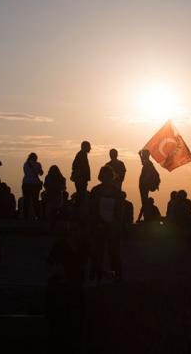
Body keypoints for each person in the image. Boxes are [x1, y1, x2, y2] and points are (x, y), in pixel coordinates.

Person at [46, 223, 89, 354]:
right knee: (61, 326)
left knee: (76, 325)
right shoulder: (61, 245)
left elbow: (88, 264)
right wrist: (59, 272)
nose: (79, 234)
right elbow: (50, 264)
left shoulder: (83, 246)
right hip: (62, 290)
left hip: (76, 289)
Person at [88, 166, 123, 281]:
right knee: (98, 253)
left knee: (114, 253)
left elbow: (119, 210)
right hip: (99, 226)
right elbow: (92, 209)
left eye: (108, 176)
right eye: (104, 176)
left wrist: (116, 224)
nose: (106, 178)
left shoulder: (116, 192)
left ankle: (116, 276)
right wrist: (98, 222)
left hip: (112, 227)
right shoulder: (96, 191)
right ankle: (96, 276)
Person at [22, 152, 44, 220]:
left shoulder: (25, 164)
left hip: (26, 183)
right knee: (35, 200)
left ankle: (25, 216)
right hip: (35, 184)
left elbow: (25, 172)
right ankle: (37, 215)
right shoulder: (38, 164)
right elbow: (41, 173)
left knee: (26, 200)